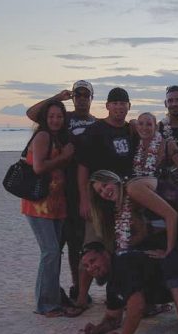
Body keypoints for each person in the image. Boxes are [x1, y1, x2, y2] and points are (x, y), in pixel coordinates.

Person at [88, 170, 178, 334]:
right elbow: (151, 229)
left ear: (113, 179)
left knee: (171, 263)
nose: (104, 192)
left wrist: (169, 250)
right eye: (100, 192)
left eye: (104, 185)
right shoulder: (127, 200)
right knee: (155, 255)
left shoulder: (133, 188)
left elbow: (171, 215)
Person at [26, 80, 96, 305]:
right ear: (73, 97)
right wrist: (57, 97)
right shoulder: (65, 119)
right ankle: (50, 294)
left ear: (91, 98)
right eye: (78, 95)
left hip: (77, 191)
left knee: (76, 244)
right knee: (56, 248)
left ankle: (76, 287)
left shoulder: (95, 123)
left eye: (86, 95)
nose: (82, 98)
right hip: (56, 191)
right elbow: (34, 113)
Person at [74, 87, 138, 314]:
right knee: (91, 248)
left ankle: (119, 296)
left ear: (128, 107)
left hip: (124, 201)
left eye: (123, 103)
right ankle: (82, 298)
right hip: (98, 200)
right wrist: (84, 199)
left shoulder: (132, 131)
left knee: (118, 249)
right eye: (115, 103)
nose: (119, 107)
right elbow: (82, 166)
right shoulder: (96, 130)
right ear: (108, 106)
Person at [21, 100, 75, 317]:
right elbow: (39, 167)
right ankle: (46, 305)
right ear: (45, 118)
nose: (55, 120)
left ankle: (51, 299)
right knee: (50, 252)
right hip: (38, 205)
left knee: (53, 253)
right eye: (51, 116)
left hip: (56, 204)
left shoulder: (57, 138)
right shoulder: (43, 136)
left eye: (59, 116)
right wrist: (64, 157)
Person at [134, 112, 178, 192]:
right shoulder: (135, 144)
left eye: (149, 124)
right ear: (136, 127)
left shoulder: (168, 145)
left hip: (166, 197)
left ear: (156, 127)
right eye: (141, 124)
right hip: (142, 195)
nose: (144, 128)